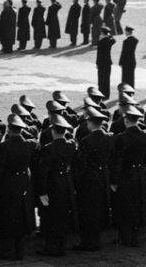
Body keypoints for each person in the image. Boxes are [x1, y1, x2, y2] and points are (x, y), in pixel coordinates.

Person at [0, 114, 36, 260]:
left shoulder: (4, 146)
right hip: (23, 182)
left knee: (8, 217)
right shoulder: (28, 144)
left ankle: (7, 251)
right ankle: (19, 251)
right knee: (22, 216)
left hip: (9, 183)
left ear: (9, 129)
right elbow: (33, 138)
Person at [35, 116, 77, 256]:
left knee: (51, 217)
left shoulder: (48, 149)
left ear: (53, 131)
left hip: (53, 184)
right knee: (63, 215)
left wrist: (42, 192)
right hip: (66, 182)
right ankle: (61, 246)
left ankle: (51, 248)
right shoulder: (71, 145)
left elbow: (43, 172)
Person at [73, 107, 112, 251]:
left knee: (87, 211)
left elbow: (81, 164)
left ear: (90, 122)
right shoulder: (108, 137)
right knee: (99, 209)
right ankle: (96, 240)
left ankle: (87, 242)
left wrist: (77, 182)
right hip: (103, 176)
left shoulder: (86, 140)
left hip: (89, 178)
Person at [111, 106, 146, 247]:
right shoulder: (144, 136)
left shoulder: (122, 138)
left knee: (125, 206)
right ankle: (135, 236)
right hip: (140, 174)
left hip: (126, 175)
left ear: (126, 120)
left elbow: (118, 161)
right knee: (138, 204)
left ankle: (125, 237)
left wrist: (114, 180)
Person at [97, 27, 115, 100]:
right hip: (108, 62)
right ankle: (107, 95)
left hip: (101, 63)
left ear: (102, 33)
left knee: (101, 79)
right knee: (107, 79)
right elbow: (114, 40)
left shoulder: (101, 42)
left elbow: (99, 54)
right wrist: (109, 35)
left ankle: (101, 93)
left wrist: (97, 63)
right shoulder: (109, 41)